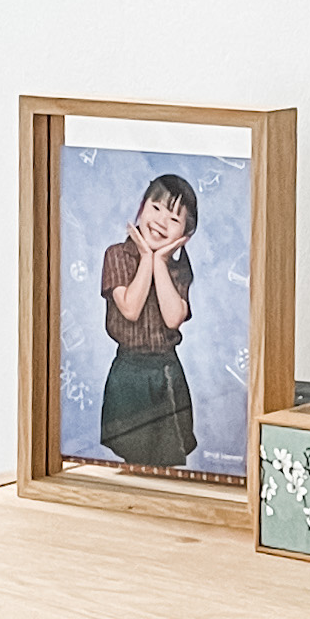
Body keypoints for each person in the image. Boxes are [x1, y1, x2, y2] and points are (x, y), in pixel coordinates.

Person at [100, 172, 199, 469]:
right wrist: (145, 257)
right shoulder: (117, 255)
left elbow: (172, 318)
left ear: (185, 234)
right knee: (134, 457)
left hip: (166, 371)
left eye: (174, 219)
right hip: (129, 373)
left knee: (167, 457)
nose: (160, 222)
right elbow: (130, 308)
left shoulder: (180, 268)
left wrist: (159, 261)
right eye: (156, 208)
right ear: (142, 207)